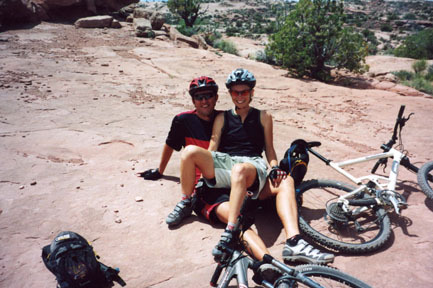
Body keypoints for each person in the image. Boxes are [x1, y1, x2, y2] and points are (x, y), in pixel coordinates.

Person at [177, 68, 334, 265]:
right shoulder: (222, 117)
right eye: (235, 92)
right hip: (226, 162)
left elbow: (268, 148)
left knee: (283, 180)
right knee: (190, 151)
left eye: (244, 91)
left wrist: (275, 167)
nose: (240, 96)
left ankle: (294, 241)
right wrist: (201, 178)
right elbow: (212, 150)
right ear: (230, 94)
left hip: (251, 165)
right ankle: (184, 202)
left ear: (252, 92)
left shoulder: (263, 117)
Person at [138, 76, 220, 226]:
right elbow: (170, 145)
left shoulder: (224, 119)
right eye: (199, 97)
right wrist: (160, 171)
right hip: (198, 185)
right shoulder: (183, 120)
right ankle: (186, 203)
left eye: (208, 96)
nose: (204, 101)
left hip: (220, 177)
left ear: (216, 98)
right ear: (193, 100)